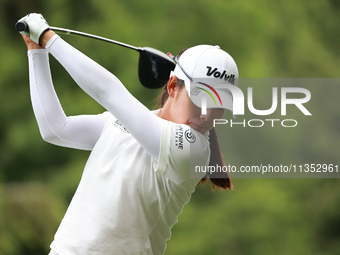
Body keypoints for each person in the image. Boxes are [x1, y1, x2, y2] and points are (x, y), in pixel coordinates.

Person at [18, 13, 239, 255]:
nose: (208, 115)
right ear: (173, 85)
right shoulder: (122, 121)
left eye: (220, 104)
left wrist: (49, 39)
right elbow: (55, 129)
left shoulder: (194, 150)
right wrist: (36, 51)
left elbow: (109, 92)